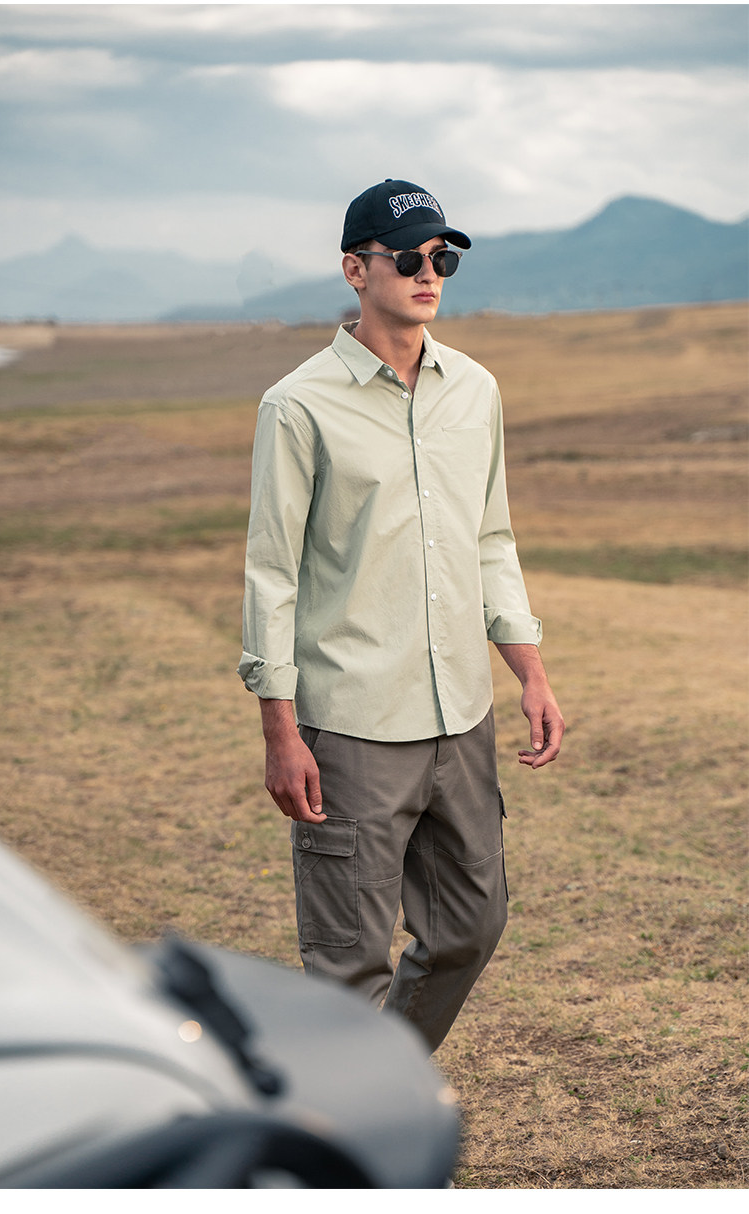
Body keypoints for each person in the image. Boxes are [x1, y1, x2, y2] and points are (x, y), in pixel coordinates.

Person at [238, 179, 564, 1053]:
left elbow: (491, 537)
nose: (429, 273)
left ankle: (387, 1080)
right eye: (410, 258)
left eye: (442, 258)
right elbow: (272, 575)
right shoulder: (297, 405)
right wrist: (280, 732)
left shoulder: (476, 391)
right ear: (356, 270)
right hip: (350, 727)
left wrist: (530, 672)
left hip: (462, 714)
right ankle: (356, 1128)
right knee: (347, 967)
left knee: (470, 926)